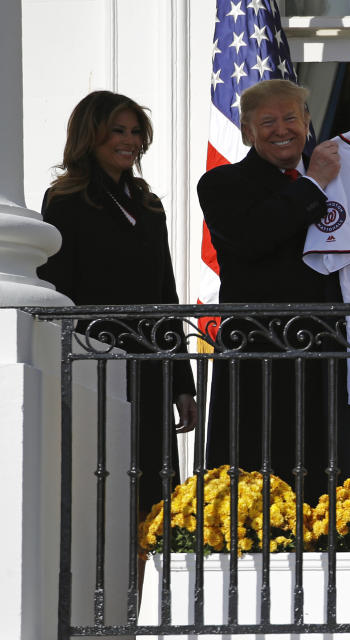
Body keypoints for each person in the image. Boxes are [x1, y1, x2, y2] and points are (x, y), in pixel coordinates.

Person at [197, 79, 350, 499]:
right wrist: (312, 184)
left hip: (330, 353)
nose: (281, 128)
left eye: (291, 117)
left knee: (331, 475)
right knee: (258, 478)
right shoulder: (221, 183)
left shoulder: (344, 178)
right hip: (262, 353)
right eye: (267, 121)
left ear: (307, 122)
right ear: (247, 131)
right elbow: (249, 237)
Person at [38, 90, 198, 512]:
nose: (129, 141)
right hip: (96, 362)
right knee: (101, 487)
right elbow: (57, 290)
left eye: (135, 132)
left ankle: (152, 576)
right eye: (118, 131)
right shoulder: (65, 200)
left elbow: (167, 294)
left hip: (150, 365)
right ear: (91, 136)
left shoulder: (148, 204)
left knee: (154, 491)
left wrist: (183, 383)